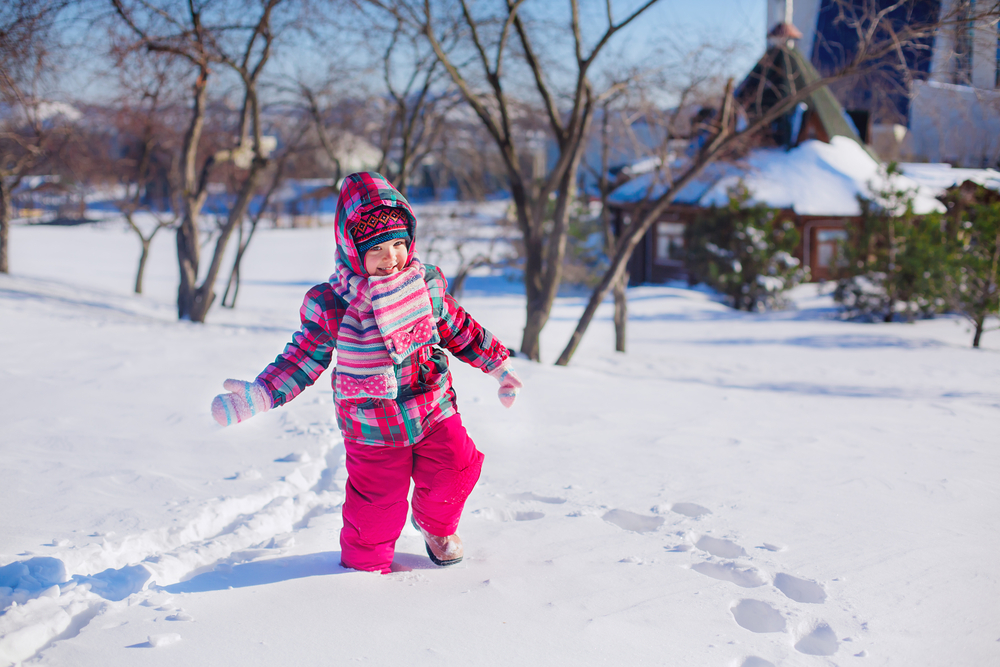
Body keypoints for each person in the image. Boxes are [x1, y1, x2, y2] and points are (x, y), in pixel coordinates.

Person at [210, 172, 522, 574]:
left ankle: (435, 526)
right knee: (376, 510)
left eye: (398, 244)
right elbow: (303, 357)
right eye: (377, 248)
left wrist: (499, 366)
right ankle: (362, 572)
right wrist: (262, 393)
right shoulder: (335, 304)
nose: (391, 257)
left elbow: (461, 327)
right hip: (372, 425)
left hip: (432, 407)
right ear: (352, 251)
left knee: (459, 465)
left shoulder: (424, 287)